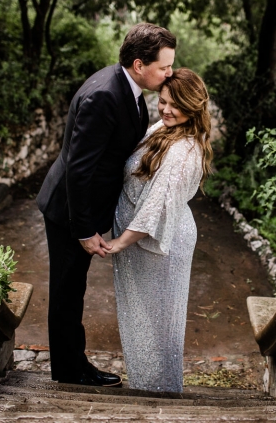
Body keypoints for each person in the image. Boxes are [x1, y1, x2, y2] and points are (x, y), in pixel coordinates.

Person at [36, 23, 176, 386]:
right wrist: (83, 229)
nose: (169, 73)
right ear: (139, 63)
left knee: (74, 288)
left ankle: (75, 363)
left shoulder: (126, 86)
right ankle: (69, 372)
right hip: (68, 211)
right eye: (164, 67)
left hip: (84, 208)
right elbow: (80, 171)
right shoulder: (104, 95)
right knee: (67, 291)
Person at [104, 68, 213, 392]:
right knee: (140, 323)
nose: (165, 110)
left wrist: (118, 243)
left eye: (174, 105)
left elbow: (157, 207)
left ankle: (159, 393)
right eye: (162, 101)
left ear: (193, 106)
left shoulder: (183, 151)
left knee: (158, 327)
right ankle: (145, 385)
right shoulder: (164, 129)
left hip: (160, 249)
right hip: (138, 248)